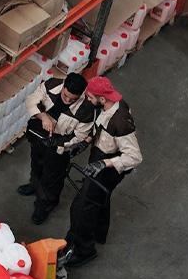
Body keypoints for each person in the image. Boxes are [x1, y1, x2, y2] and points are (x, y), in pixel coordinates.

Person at [59, 76, 142, 267]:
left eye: (89, 97)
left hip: (109, 168)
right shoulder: (110, 106)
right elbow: (103, 132)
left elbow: (135, 157)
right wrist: (85, 143)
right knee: (99, 200)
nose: (87, 100)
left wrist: (105, 164)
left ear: (102, 98)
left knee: (81, 209)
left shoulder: (121, 121)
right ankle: (99, 233)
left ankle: (83, 249)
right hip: (100, 156)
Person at [18, 72, 95, 225]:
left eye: (72, 99)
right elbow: (31, 100)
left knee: (52, 177)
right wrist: (43, 117)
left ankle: (45, 204)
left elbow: (79, 137)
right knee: (37, 163)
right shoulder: (52, 85)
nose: (67, 101)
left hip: (61, 146)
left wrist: (57, 143)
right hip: (40, 136)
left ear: (81, 95)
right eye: (65, 95)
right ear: (64, 85)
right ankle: (34, 184)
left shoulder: (86, 110)